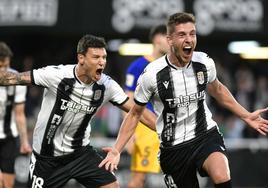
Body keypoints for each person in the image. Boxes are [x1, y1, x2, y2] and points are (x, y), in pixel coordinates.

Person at [99, 12, 268, 188]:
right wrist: (117, 149)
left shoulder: (204, 62)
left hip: (205, 135)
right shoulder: (151, 74)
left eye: (192, 33)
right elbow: (134, 113)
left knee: (221, 174)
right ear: (170, 40)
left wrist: (246, 115)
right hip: (173, 148)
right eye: (182, 35)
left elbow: (218, 90)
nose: (189, 39)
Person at [0, 35, 156, 188]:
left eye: (104, 57)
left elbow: (138, 111)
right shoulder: (57, 75)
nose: (102, 62)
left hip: (80, 154)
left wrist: (164, 129)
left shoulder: (107, 86)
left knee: (111, 186)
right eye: (96, 57)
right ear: (81, 58)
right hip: (47, 159)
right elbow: (13, 78)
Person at [124, 24, 169, 188]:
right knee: (139, 178)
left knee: (178, 174)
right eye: (167, 37)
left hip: (168, 126)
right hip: (144, 127)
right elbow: (128, 100)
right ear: (157, 39)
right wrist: (129, 133)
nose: (171, 42)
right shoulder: (137, 66)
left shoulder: (171, 66)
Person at [0, 42, 32, 188]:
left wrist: (24, 141)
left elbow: (19, 114)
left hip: (9, 139)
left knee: (8, 184)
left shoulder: (16, 80)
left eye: (6, 65)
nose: (4, 70)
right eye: (0, 66)